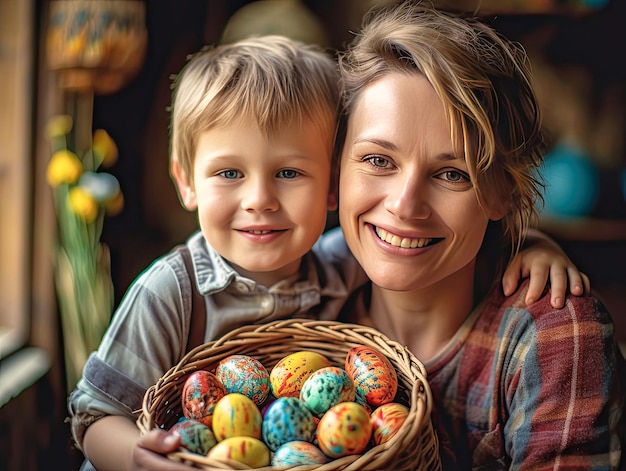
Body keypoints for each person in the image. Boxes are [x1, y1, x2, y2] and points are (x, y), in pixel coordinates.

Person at [67, 34, 590, 470]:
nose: (260, 200)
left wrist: (532, 243)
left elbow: (410, 246)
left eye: (290, 173)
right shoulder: (174, 293)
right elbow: (92, 415)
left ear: (331, 186)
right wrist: (136, 457)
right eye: (229, 173)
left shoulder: (335, 266)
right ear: (186, 183)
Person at [330, 2, 625, 469]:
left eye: (452, 174)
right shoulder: (303, 298)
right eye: (378, 160)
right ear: (335, 169)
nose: (405, 204)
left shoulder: (553, 337)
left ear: (502, 193)